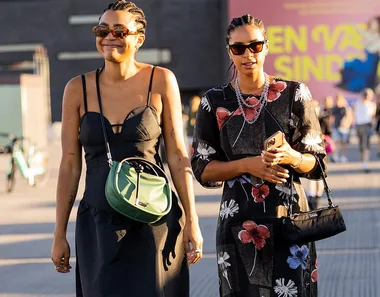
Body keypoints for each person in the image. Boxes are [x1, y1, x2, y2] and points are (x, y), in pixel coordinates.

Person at [50, 1, 203, 296]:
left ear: (138, 38)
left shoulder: (161, 80)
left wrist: (193, 221)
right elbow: (69, 164)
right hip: (98, 223)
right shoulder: (76, 89)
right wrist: (59, 234)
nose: (109, 36)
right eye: (102, 29)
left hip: (154, 219)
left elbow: (177, 155)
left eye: (119, 30)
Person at [191, 14, 326, 297]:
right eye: (238, 48)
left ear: (266, 46)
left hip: (290, 222)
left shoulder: (294, 94)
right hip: (237, 225)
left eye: (255, 45)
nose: (247, 54)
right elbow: (202, 168)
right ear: (229, 51)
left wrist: (291, 155)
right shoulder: (214, 101)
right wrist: (247, 165)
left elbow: (317, 164)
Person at [353, 88, 377, 172]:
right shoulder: (358, 103)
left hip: (367, 125)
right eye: (365, 94)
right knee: (361, 145)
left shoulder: (372, 105)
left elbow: (373, 116)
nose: (366, 96)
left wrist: (373, 125)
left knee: (366, 145)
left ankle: (365, 163)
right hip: (359, 125)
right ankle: (363, 161)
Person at [331, 94, 353, 162]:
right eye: (336, 100)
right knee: (336, 142)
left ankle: (344, 156)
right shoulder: (334, 108)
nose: (337, 101)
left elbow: (350, 117)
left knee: (343, 143)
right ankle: (335, 156)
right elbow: (331, 117)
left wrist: (347, 124)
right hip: (336, 127)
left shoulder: (346, 108)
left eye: (338, 100)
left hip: (344, 128)